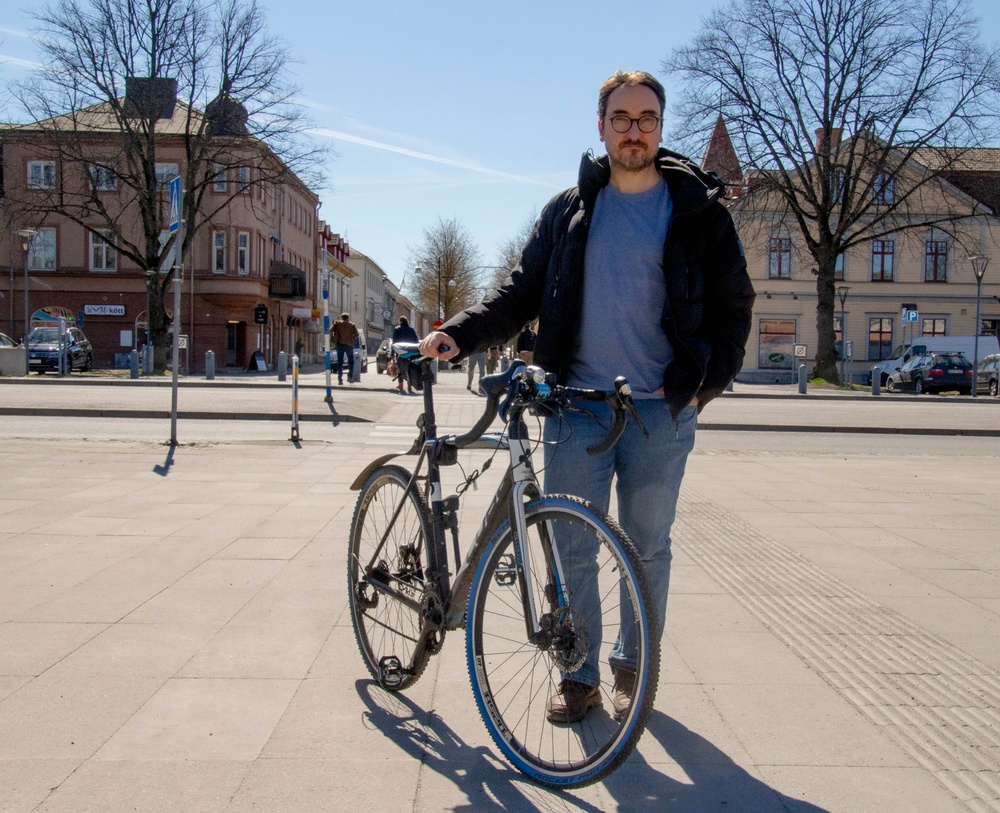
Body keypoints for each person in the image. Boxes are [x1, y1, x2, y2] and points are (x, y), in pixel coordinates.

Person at [419, 70, 754, 725]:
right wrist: (459, 333)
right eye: (622, 118)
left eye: (647, 119)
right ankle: (579, 673)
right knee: (570, 544)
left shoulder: (698, 213)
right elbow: (518, 293)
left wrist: (701, 385)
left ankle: (633, 665)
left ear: (660, 126)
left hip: (660, 411)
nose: (635, 130)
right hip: (573, 406)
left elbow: (733, 307)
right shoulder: (569, 211)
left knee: (647, 546)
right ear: (600, 127)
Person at [391, 316, 419, 394]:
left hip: (400, 351)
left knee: (401, 368)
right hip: (410, 351)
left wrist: (392, 354)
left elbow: (394, 342)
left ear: (400, 321)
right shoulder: (412, 330)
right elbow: (416, 341)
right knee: (409, 368)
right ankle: (409, 385)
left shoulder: (397, 329)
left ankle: (401, 384)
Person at [331, 312, 359, 385]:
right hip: (349, 345)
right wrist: (352, 339)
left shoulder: (338, 324)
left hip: (340, 344)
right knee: (351, 362)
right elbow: (357, 334)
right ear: (348, 318)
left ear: (342, 317)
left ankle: (340, 379)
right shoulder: (352, 325)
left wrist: (333, 339)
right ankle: (350, 377)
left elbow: (330, 330)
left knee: (340, 362)